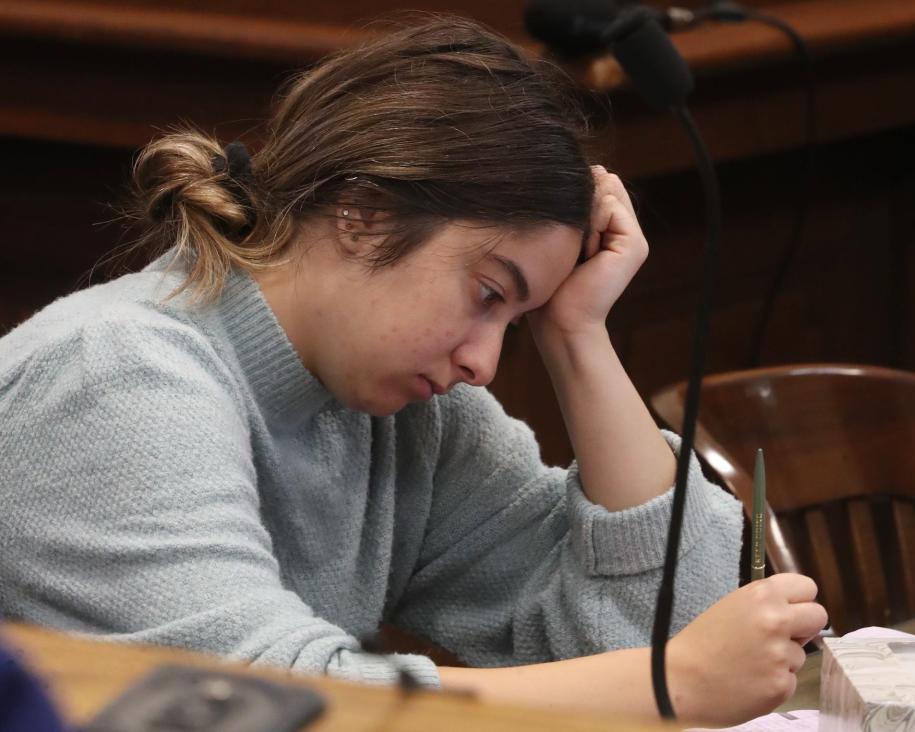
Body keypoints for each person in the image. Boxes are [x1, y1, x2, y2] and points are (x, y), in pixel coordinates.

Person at [0, 15, 826, 725]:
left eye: (518, 317)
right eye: (488, 293)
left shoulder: (402, 417)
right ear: (364, 215)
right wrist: (669, 684)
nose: (485, 363)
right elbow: (255, 701)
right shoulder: (111, 374)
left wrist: (577, 339)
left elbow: (695, 627)